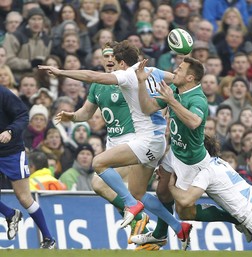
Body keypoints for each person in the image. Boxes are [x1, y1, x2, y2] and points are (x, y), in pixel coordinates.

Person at [38, 40, 192, 248]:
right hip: (142, 142)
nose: (110, 60)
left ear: (120, 61)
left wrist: (61, 72)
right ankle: (177, 226)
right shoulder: (148, 71)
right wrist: (72, 117)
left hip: (138, 141)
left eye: (113, 56)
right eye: (106, 56)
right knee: (137, 193)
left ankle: (135, 214)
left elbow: (92, 75)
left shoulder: (125, 77)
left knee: (99, 172)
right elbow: (178, 80)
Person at [133, 58, 241, 249]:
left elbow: (194, 122)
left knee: (185, 213)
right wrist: (141, 82)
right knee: (162, 192)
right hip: (175, 152)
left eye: (180, 70)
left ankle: (234, 219)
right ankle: (159, 235)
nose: (175, 71)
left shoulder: (197, 98)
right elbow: (147, 108)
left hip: (191, 161)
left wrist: (171, 101)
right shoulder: (175, 90)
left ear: (190, 77)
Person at [0, 85, 56, 248]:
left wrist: (9, 131)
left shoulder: (3, 93)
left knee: (24, 197)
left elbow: (22, 115)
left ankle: (48, 238)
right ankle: (10, 214)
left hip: (11, 152)